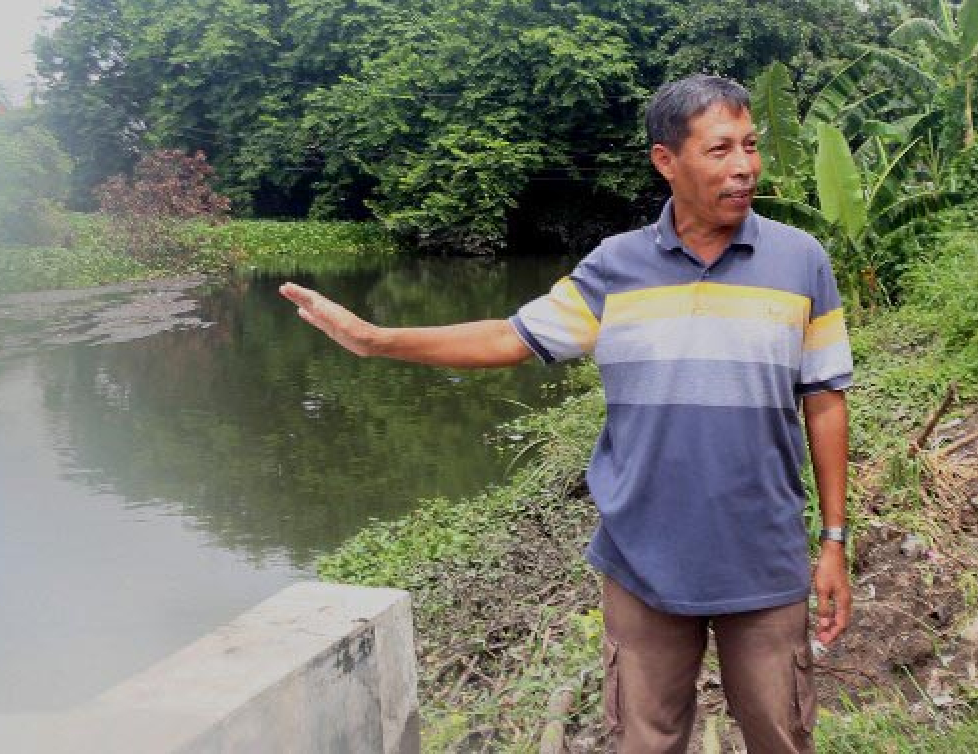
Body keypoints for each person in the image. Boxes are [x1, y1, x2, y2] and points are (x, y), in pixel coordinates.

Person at [280, 74, 852, 754]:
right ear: (666, 161)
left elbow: (824, 401)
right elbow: (507, 337)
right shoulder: (616, 268)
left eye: (750, 146)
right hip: (643, 561)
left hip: (763, 555)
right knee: (646, 739)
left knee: (782, 734)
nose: (744, 167)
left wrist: (835, 539)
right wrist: (378, 341)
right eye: (720, 149)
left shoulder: (800, 260)